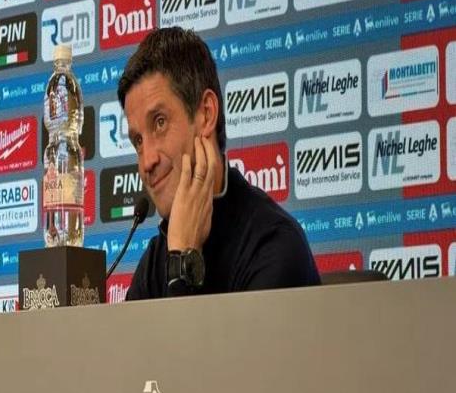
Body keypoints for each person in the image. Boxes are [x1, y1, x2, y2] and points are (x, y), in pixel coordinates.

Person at [117, 27, 320, 299]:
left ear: (206, 114)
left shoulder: (275, 244)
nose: (147, 161)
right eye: (138, 141)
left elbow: (201, 333)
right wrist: (179, 252)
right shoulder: (155, 261)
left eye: (160, 122)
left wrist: (183, 263)